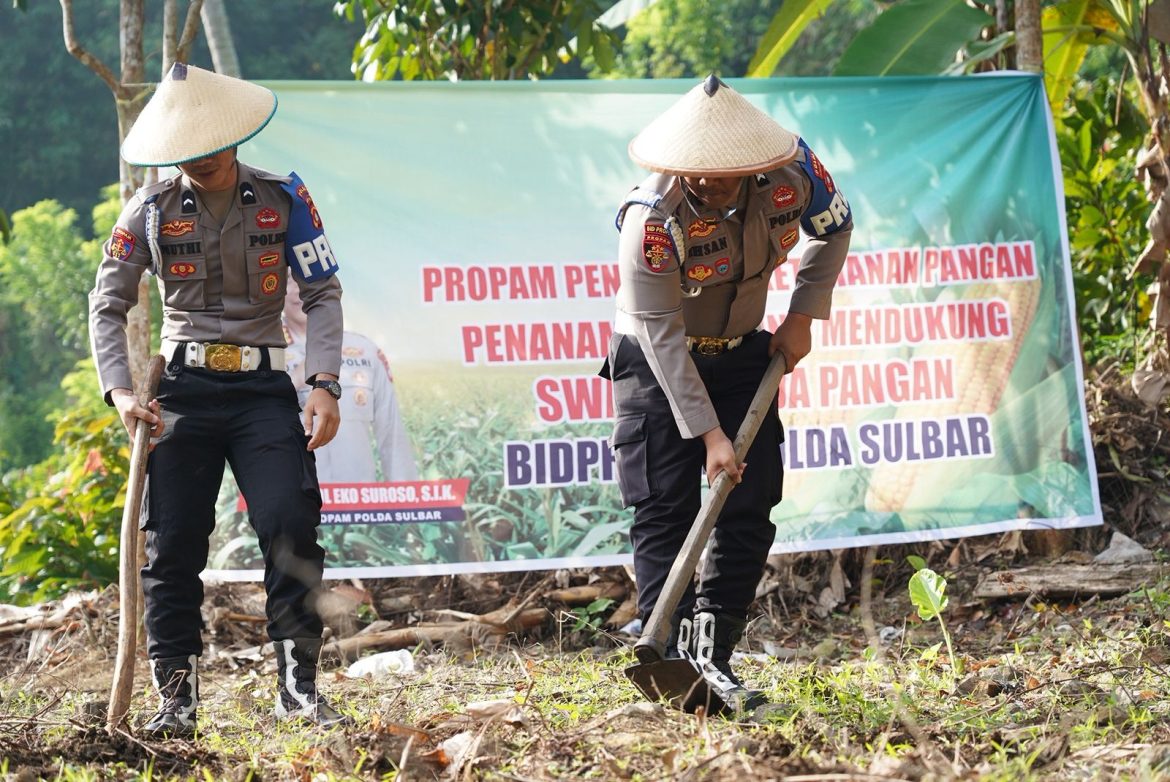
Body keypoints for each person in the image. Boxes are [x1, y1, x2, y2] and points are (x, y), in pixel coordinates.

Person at [89, 63, 351, 737]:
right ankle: (176, 701)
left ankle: (298, 690)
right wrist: (120, 391)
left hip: (265, 390)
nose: (201, 156)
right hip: (181, 392)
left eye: (211, 141)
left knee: (289, 521)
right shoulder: (147, 212)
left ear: (234, 135)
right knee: (171, 542)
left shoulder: (284, 198)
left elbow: (321, 293)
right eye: (187, 145)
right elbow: (107, 304)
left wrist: (323, 383)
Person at [605, 75, 853, 712]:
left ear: (753, 166)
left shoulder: (792, 175)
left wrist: (802, 313)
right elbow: (659, 331)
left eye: (722, 174)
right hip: (657, 360)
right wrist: (711, 434)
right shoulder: (651, 221)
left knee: (749, 502)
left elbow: (838, 225)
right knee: (664, 506)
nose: (707, 183)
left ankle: (713, 654)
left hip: (743, 350)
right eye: (696, 173)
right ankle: (673, 660)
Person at [283, 285, 420, 483]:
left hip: (358, 504)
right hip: (293, 503)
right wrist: (295, 379)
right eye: (289, 279)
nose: (299, 289)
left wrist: (407, 499)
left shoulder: (364, 351)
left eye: (306, 278)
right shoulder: (262, 354)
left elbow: (391, 435)